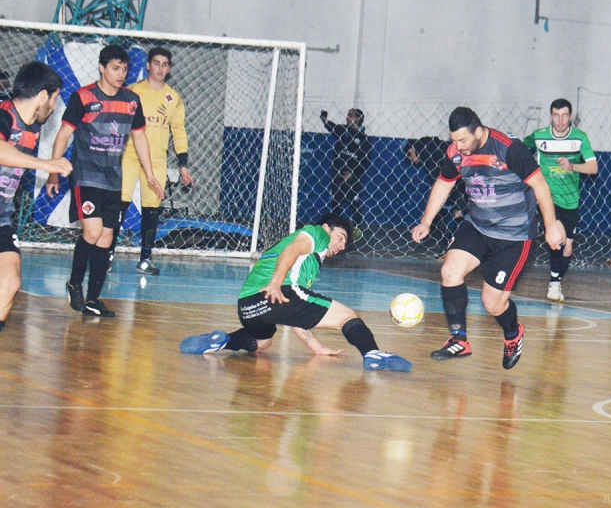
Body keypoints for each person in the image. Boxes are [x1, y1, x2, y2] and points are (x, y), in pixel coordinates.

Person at [411, 107, 565, 370]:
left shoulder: (509, 149)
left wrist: (551, 226)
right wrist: (426, 221)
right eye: (454, 140)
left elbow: (540, 184)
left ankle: (513, 333)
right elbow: (444, 184)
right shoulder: (455, 153)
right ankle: (459, 339)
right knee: (450, 272)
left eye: (463, 140)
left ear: (479, 132)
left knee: (492, 304)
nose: (458, 146)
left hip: (514, 236)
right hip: (477, 226)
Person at [179, 213, 412, 371]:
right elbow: (292, 250)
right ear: (326, 228)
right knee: (348, 316)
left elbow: (294, 314)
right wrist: (276, 284)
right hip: (277, 291)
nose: (342, 246)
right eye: (341, 238)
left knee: (262, 343)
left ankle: (223, 341)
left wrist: (316, 348)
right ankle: (373, 354)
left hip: (247, 305)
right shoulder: (317, 233)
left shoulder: (308, 263)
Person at [45, 45, 164, 319]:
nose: (120, 74)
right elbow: (63, 134)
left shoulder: (132, 101)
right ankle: (74, 283)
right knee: (93, 232)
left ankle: (93, 299)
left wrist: (149, 174)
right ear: (102, 68)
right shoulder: (83, 97)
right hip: (86, 175)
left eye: (124, 69)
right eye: (115, 68)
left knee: (107, 237)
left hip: (113, 178)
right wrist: (53, 171)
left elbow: (140, 137)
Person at [0, 62, 72, 332]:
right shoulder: (4, 114)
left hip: (2, 215)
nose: (53, 107)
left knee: (10, 282)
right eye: (54, 99)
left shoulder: (32, 128)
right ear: (43, 95)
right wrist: (45, 164)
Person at [116, 47, 194, 276]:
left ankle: (145, 258)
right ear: (148, 65)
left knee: (152, 210)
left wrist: (183, 164)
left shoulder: (173, 98)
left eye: (165, 64)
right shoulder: (132, 91)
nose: (160, 68)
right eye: (156, 63)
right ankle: (107, 252)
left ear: (169, 69)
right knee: (119, 204)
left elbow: (179, 131)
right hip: (130, 157)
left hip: (158, 161)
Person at [523, 98, 597, 301]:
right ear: (551, 116)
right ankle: (554, 284)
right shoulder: (539, 136)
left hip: (571, 200)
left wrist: (573, 166)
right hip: (547, 198)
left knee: (567, 249)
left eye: (564, 115)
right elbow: (519, 149)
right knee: (557, 237)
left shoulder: (580, 138)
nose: (560, 120)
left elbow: (593, 167)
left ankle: (556, 278)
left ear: (570, 117)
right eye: (556, 115)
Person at [404, 136, 466, 253]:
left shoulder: (424, 152)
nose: (413, 161)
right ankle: (454, 242)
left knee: (452, 211)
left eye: (410, 157)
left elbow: (436, 177)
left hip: (452, 182)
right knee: (457, 210)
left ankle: (451, 244)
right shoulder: (432, 146)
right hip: (460, 178)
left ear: (411, 151)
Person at [321, 108, 371, 238]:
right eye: (348, 115)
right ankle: (333, 230)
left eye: (352, 116)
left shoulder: (364, 139)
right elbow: (330, 126)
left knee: (353, 205)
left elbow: (365, 161)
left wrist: (353, 173)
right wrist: (324, 119)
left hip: (352, 179)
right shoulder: (342, 131)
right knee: (336, 204)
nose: (349, 118)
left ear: (359, 119)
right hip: (337, 175)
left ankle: (357, 229)